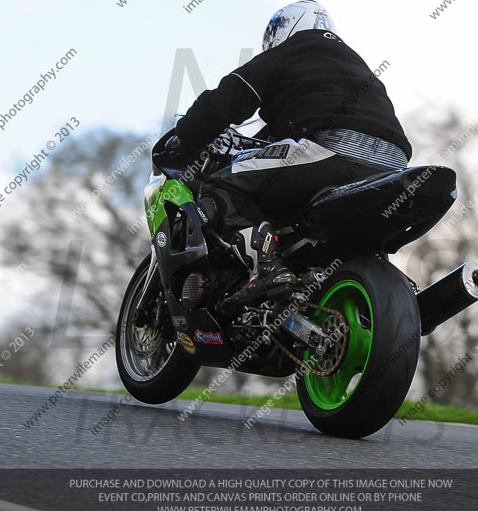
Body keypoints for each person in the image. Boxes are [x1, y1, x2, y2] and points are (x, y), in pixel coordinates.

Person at [166, 0, 412, 310]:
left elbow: (229, 95)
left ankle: (269, 269)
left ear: (286, 29)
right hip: (394, 163)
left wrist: (185, 136)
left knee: (223, 183)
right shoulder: (355, 66)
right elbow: (283, 138)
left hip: (332, 148)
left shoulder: (292, 50)